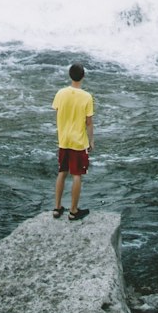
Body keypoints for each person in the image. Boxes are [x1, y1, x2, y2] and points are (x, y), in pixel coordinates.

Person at [52, 61, 94, 221]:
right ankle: (73, 210)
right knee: (77, 175)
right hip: (78, 141)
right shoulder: (87, 97)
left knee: (62, 172)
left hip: (63, 140)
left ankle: (57, 208)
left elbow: (57, 112)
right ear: (83, 76)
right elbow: (88, 122)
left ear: (70, 76)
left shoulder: (60, 93)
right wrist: (91, 140)